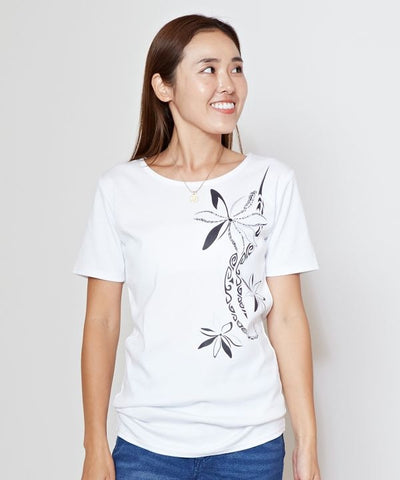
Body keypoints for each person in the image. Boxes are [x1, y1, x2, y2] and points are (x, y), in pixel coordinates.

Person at [73, 13, 321, 480]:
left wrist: (307, 445)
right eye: (208, 69)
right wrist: (94, 445)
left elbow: (288, 317)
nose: (228, 83)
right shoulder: (119, 189)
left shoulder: (272, 182)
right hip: (146, 446)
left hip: (250, 445)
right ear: (163, 87)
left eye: (236, 68)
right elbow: (101, 322)